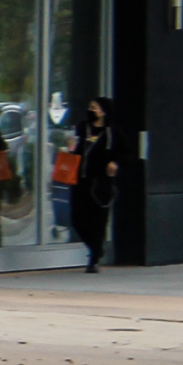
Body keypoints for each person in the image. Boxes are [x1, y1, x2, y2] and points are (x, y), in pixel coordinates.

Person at [64, 97, 122, 273]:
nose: (91, 110)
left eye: (94, 108)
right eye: (89, 107)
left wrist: (115, 163)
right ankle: (95, 247)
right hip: (81, 180)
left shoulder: (112, 132)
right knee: (77, 219)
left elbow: (125, 153)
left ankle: (94, 259)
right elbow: (75, 147)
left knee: (98, 220)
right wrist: (71, 147)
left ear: (103, 111)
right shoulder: (82, 128)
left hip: (101, 182)